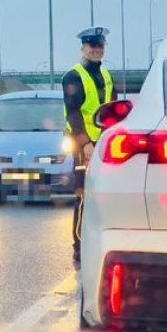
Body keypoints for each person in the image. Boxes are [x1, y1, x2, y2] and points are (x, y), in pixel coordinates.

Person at [63, 26, 115, 263]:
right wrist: (84, 144)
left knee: (107, 195)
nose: (96, 50)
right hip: (85, 146)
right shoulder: (73, 76)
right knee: (84, 196)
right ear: (83, 47)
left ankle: (103, 241)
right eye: (92, 46)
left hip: (105, 143)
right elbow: (73, 113)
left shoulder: (105, 75)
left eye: (100, 46)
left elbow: (113, 109)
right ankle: (79, 245)